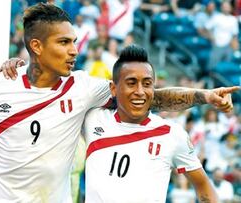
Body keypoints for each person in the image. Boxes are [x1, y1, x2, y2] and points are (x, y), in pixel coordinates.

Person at [0, 3, 238, 202]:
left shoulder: (85, 87)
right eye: (64, 43)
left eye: (74, 42)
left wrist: (203, 96)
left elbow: (144, 97)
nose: (74, 50)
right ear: (36, 46)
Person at [82, 45, 217, 202]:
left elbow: (203, 185)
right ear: (113, 88)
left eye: (147, 84)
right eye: (131, 83)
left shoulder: (172, 134)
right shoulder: (92, 119)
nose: (140, 91)